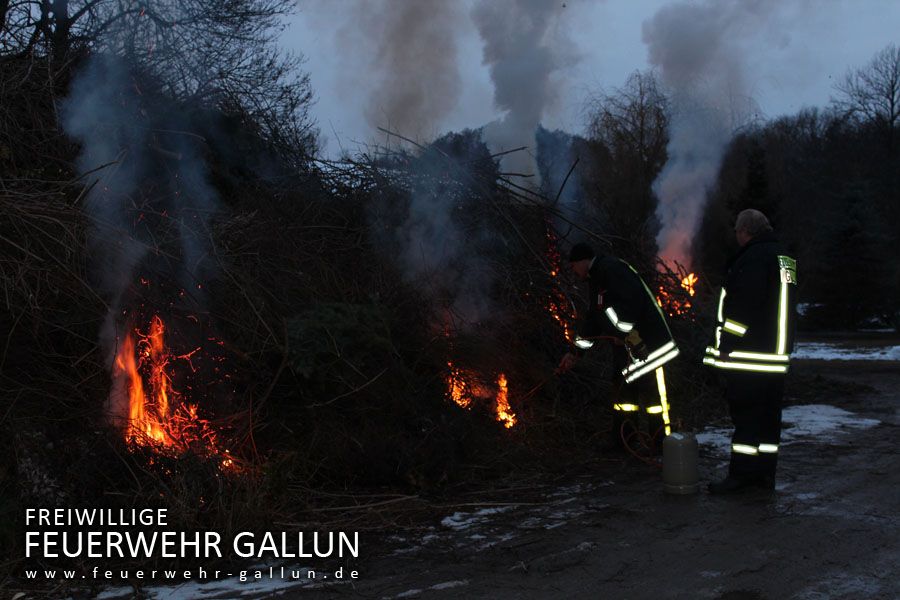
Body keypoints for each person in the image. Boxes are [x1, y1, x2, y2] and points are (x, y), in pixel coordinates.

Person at [703, 209, 798, 494]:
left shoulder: (752, 259)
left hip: (750, 355)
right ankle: (764, 475)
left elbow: (742, 308)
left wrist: (726, 346)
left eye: (737, 232)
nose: (736, 237)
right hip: (776, 356)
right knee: (768, 420)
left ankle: (741, 477)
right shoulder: (785, 259)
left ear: (745, 231)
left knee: (745, 416)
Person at [558, 243, 679, 449]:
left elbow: (630, 305)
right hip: (628, 346)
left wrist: (620, 334)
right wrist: (574, 352)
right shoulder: (597, 278)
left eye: (573, 267)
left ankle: (664, 445)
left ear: (581, 261)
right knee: (623, 395)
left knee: (654, 400)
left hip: (649, 345)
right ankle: (625, 441)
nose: (573, 272)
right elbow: (594, 319)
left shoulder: (613, 270)